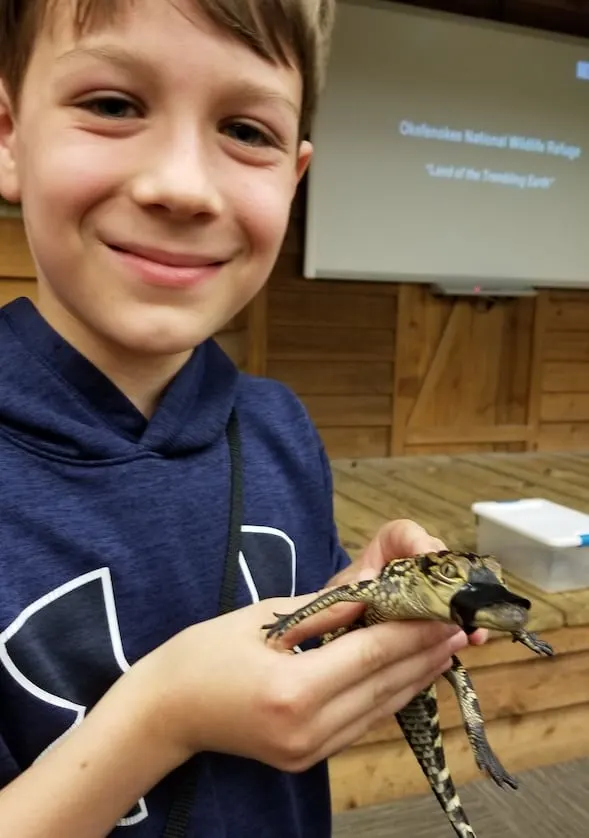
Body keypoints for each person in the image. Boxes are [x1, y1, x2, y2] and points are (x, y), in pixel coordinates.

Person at [0, 1, 487, 835]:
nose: (183, 187)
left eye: (246, 130)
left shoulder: (278, 426)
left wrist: (359, 604)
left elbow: (280, 649)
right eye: (114, 105)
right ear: (9, 136)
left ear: (293, 178)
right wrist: (164, 717)